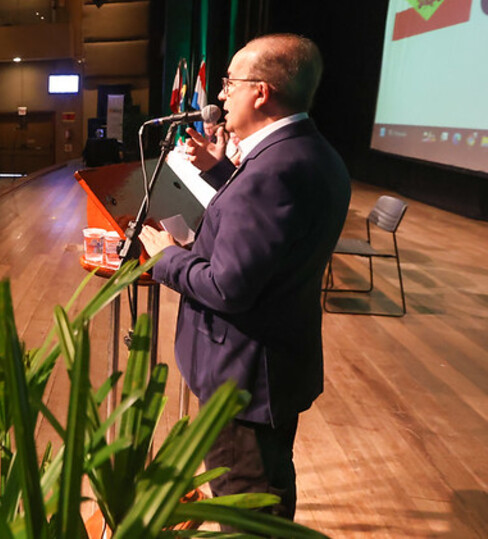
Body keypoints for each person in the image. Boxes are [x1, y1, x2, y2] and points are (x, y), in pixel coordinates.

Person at [137, 34, 350, 524]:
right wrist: (219, 175)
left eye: (230, 83)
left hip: (244, 378)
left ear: (261, 92)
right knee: (265, 491)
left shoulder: (271, 171)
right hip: (270, 363)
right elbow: (266, 234)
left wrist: (165, 257)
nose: (219, 96)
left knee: (248, 507)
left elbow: (228, 286)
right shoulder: (304, 151)